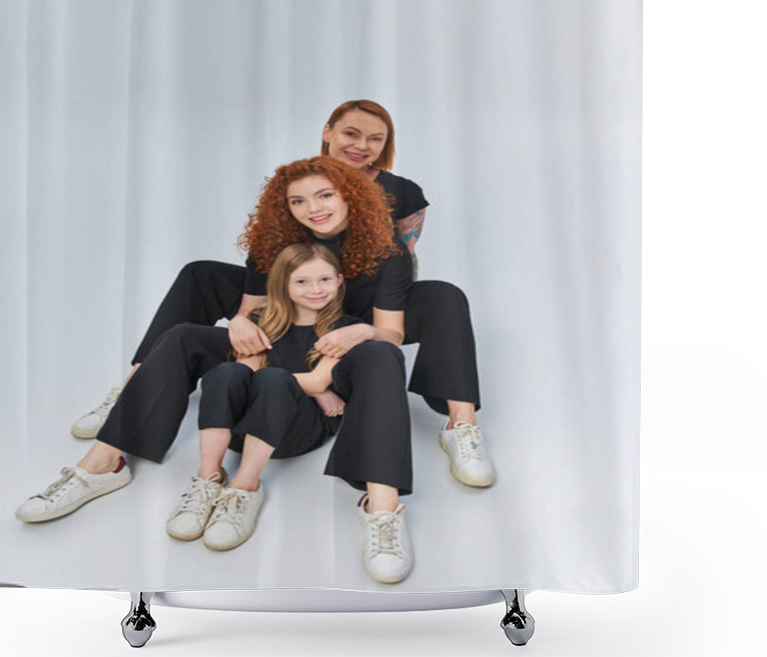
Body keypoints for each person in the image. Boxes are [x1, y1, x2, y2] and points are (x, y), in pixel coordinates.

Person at [16, 156, 493, 528]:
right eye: (298, 202)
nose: (313, 209)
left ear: (349, 194)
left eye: (325, 195)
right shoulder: (277, 240)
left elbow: (389, 331)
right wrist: (243, 325)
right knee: (184, 335)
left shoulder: (384, 249)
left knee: (402, 332)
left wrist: (361, 332)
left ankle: (418, 466)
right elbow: (258, 313)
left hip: (345, 338)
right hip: (283, 334)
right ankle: (104, 461)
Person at [68, 100, 428, 439]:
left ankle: (458, 421)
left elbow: (400, 258)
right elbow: (267, 253)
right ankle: (136, 383)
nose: (362, 145)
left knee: (436, 296)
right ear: (328, 132)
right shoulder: (299, 180)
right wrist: (245, 321)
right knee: (201, 273)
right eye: (352, 133)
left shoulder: (402, 191)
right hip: (292, 288)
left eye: (375, 138)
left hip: (354, 298)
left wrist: (357, 321)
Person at [164, 242, 412, 582]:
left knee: (274, 378)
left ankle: (245, 488)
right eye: (302, 282)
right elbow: (249, 374)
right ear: (283, 284)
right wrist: (320, 390)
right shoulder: (259, 320)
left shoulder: (344, 328)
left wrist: (315, 384)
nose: (315, 290)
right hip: (243, 429)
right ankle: (208, 479)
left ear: (339, 281)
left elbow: (314, 376)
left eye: (324, 279)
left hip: (299, 429)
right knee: (225, 373)